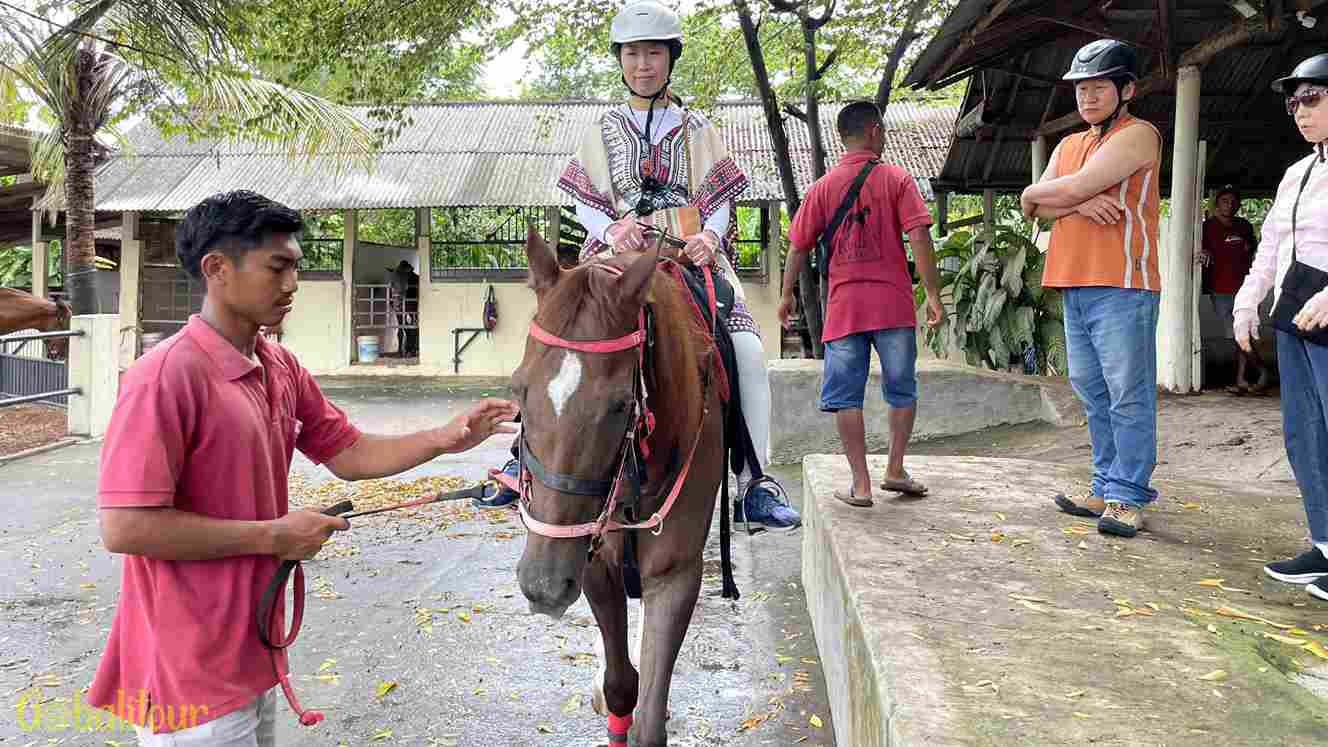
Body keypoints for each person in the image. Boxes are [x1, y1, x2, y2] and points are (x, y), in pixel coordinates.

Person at [87, 190, 519, 744]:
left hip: (253, 647)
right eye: (278, 266)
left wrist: (447, 437)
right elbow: (126, 526)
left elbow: (348, 453)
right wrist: (274, 535)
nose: (292, 283)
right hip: (187, 665)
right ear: (217, 269)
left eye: (296, 265)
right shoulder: (164, 377)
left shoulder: (278, 365)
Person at [480, 0, 802, 532]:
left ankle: (754, 482)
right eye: (632, 54)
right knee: (554, 339)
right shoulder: (601, 129)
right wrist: (609, 228)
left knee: (744, 348)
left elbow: (719, 195)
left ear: (670, 58)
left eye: (653, 53)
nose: (643, 64)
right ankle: (524, 456)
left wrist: (710, 235)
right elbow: (582, 198)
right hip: (612, 260)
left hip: (686, 260)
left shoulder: (698, 127)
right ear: (620, 60)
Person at [1020, 39, 1163, 539]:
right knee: (1092, 391)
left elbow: (1061, 191)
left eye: (1099, 86)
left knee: (1129, 393)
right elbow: (1033, 207)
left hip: (1123, 283)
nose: (1088, 96)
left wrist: (1060, 194)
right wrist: (1071, 202)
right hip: (1071, 279)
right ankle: (1104, 485)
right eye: (1081, 88)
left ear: (1126, 89)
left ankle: (1128, 496)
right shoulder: (1068, 144)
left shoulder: (1139, 134)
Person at [778, 100, 944, 507]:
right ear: (874, 130)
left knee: (845, 397)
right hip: (893, 306)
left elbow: (798, 247)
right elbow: (919, 236)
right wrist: (934, 295)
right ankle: (895, 468)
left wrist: (785, 295)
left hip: (844, 310)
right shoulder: (898, 180)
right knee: (901, 389)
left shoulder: (821, 188)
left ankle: (861, 485)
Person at [1235, 52, 1328, 603]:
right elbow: (1272, 244)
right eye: (1294, 102)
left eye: (1312, 98)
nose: (1300, 111)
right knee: (1305, 434)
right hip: (1295, 314)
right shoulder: (1298, 172)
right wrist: (1247, 302)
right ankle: (1325, 543)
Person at [1198, 185, 1267, 393]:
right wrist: (1203, 253)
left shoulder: (1244, 226)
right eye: (1225, 201)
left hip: (1245, 287)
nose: (1230, 205)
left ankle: (1243, 378)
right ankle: (1261, 372)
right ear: (1217, 204)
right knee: (1236, 332)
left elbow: (1256, 249)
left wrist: (1249, 249)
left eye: (1233, 201)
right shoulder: (1206, 227)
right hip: (1220, 288)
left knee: (1241, 331)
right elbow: (1197, 250)